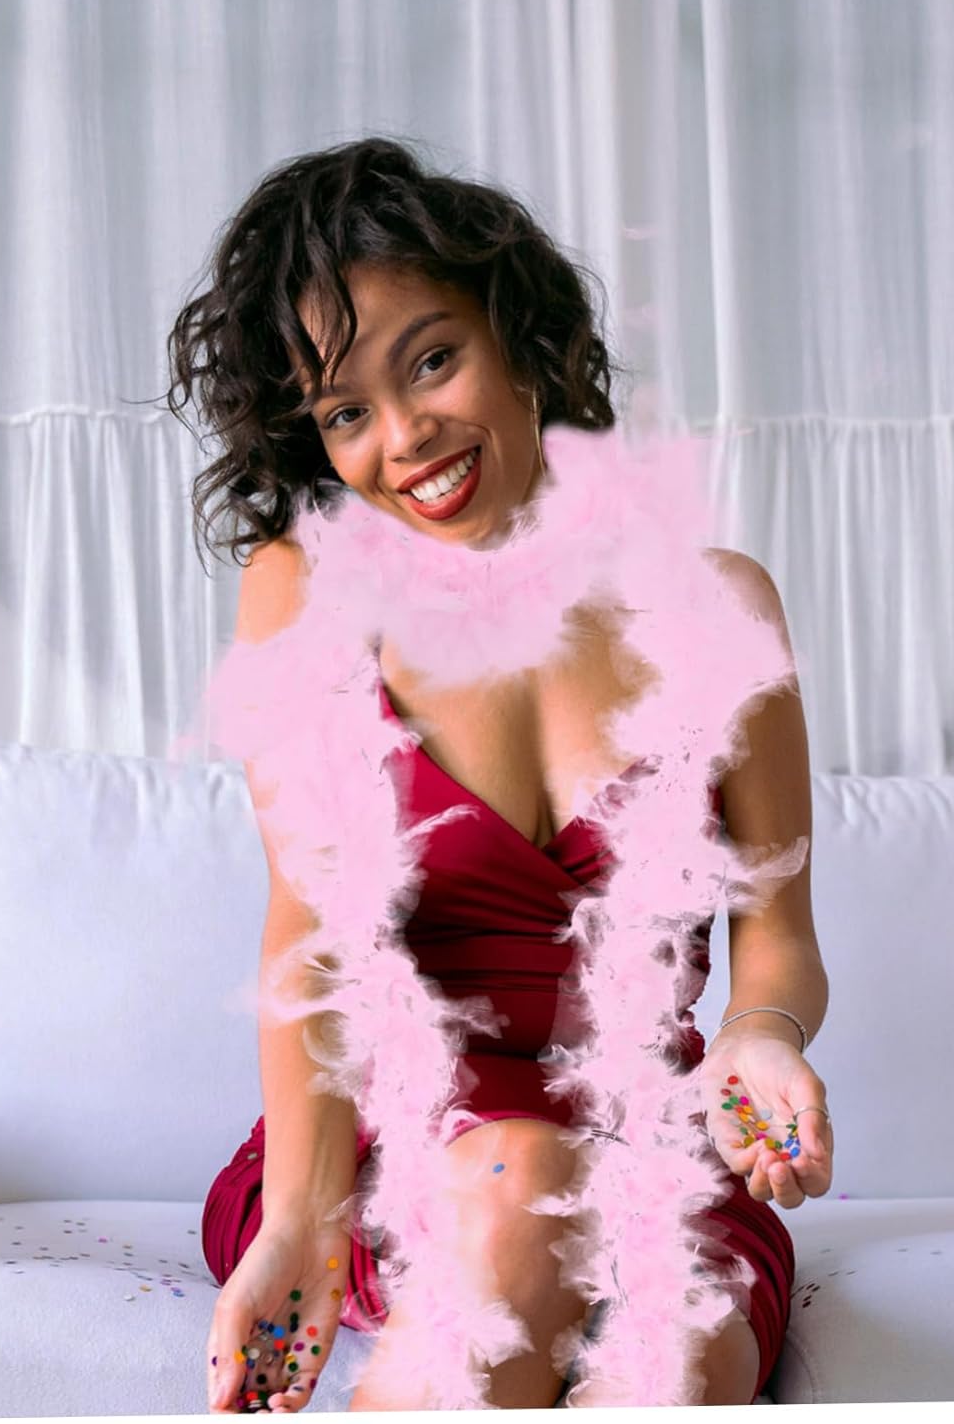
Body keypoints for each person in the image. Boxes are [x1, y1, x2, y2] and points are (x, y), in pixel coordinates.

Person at [166, 136, 832, 1412]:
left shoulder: (715, 605)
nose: (404, 437)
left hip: (652, 1146)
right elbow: (315, 935)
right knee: (524, 1185)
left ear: (520, 336)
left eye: (432, 360)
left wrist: (759, 1037)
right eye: (344, 413)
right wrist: (301, 1218)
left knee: (676, 1364)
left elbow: (779, 937)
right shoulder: (307, 594)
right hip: (389, 1153)